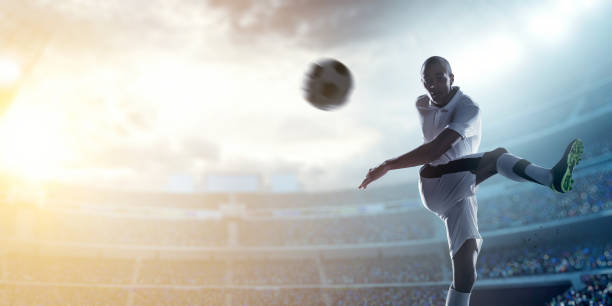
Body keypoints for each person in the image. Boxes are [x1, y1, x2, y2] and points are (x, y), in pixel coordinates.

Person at [358, 56, 583, 306]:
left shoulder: (468, 108)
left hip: (461, 190)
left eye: (439, 78)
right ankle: (551, 177)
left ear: (451, 78)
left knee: (466, 274)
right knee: (497, 157)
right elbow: (434, 154)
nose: (433, 84)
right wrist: (389, 164)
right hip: (435, 181)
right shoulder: (422, 103)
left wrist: (389, 164)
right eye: (427, 80)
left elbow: (439, 146)